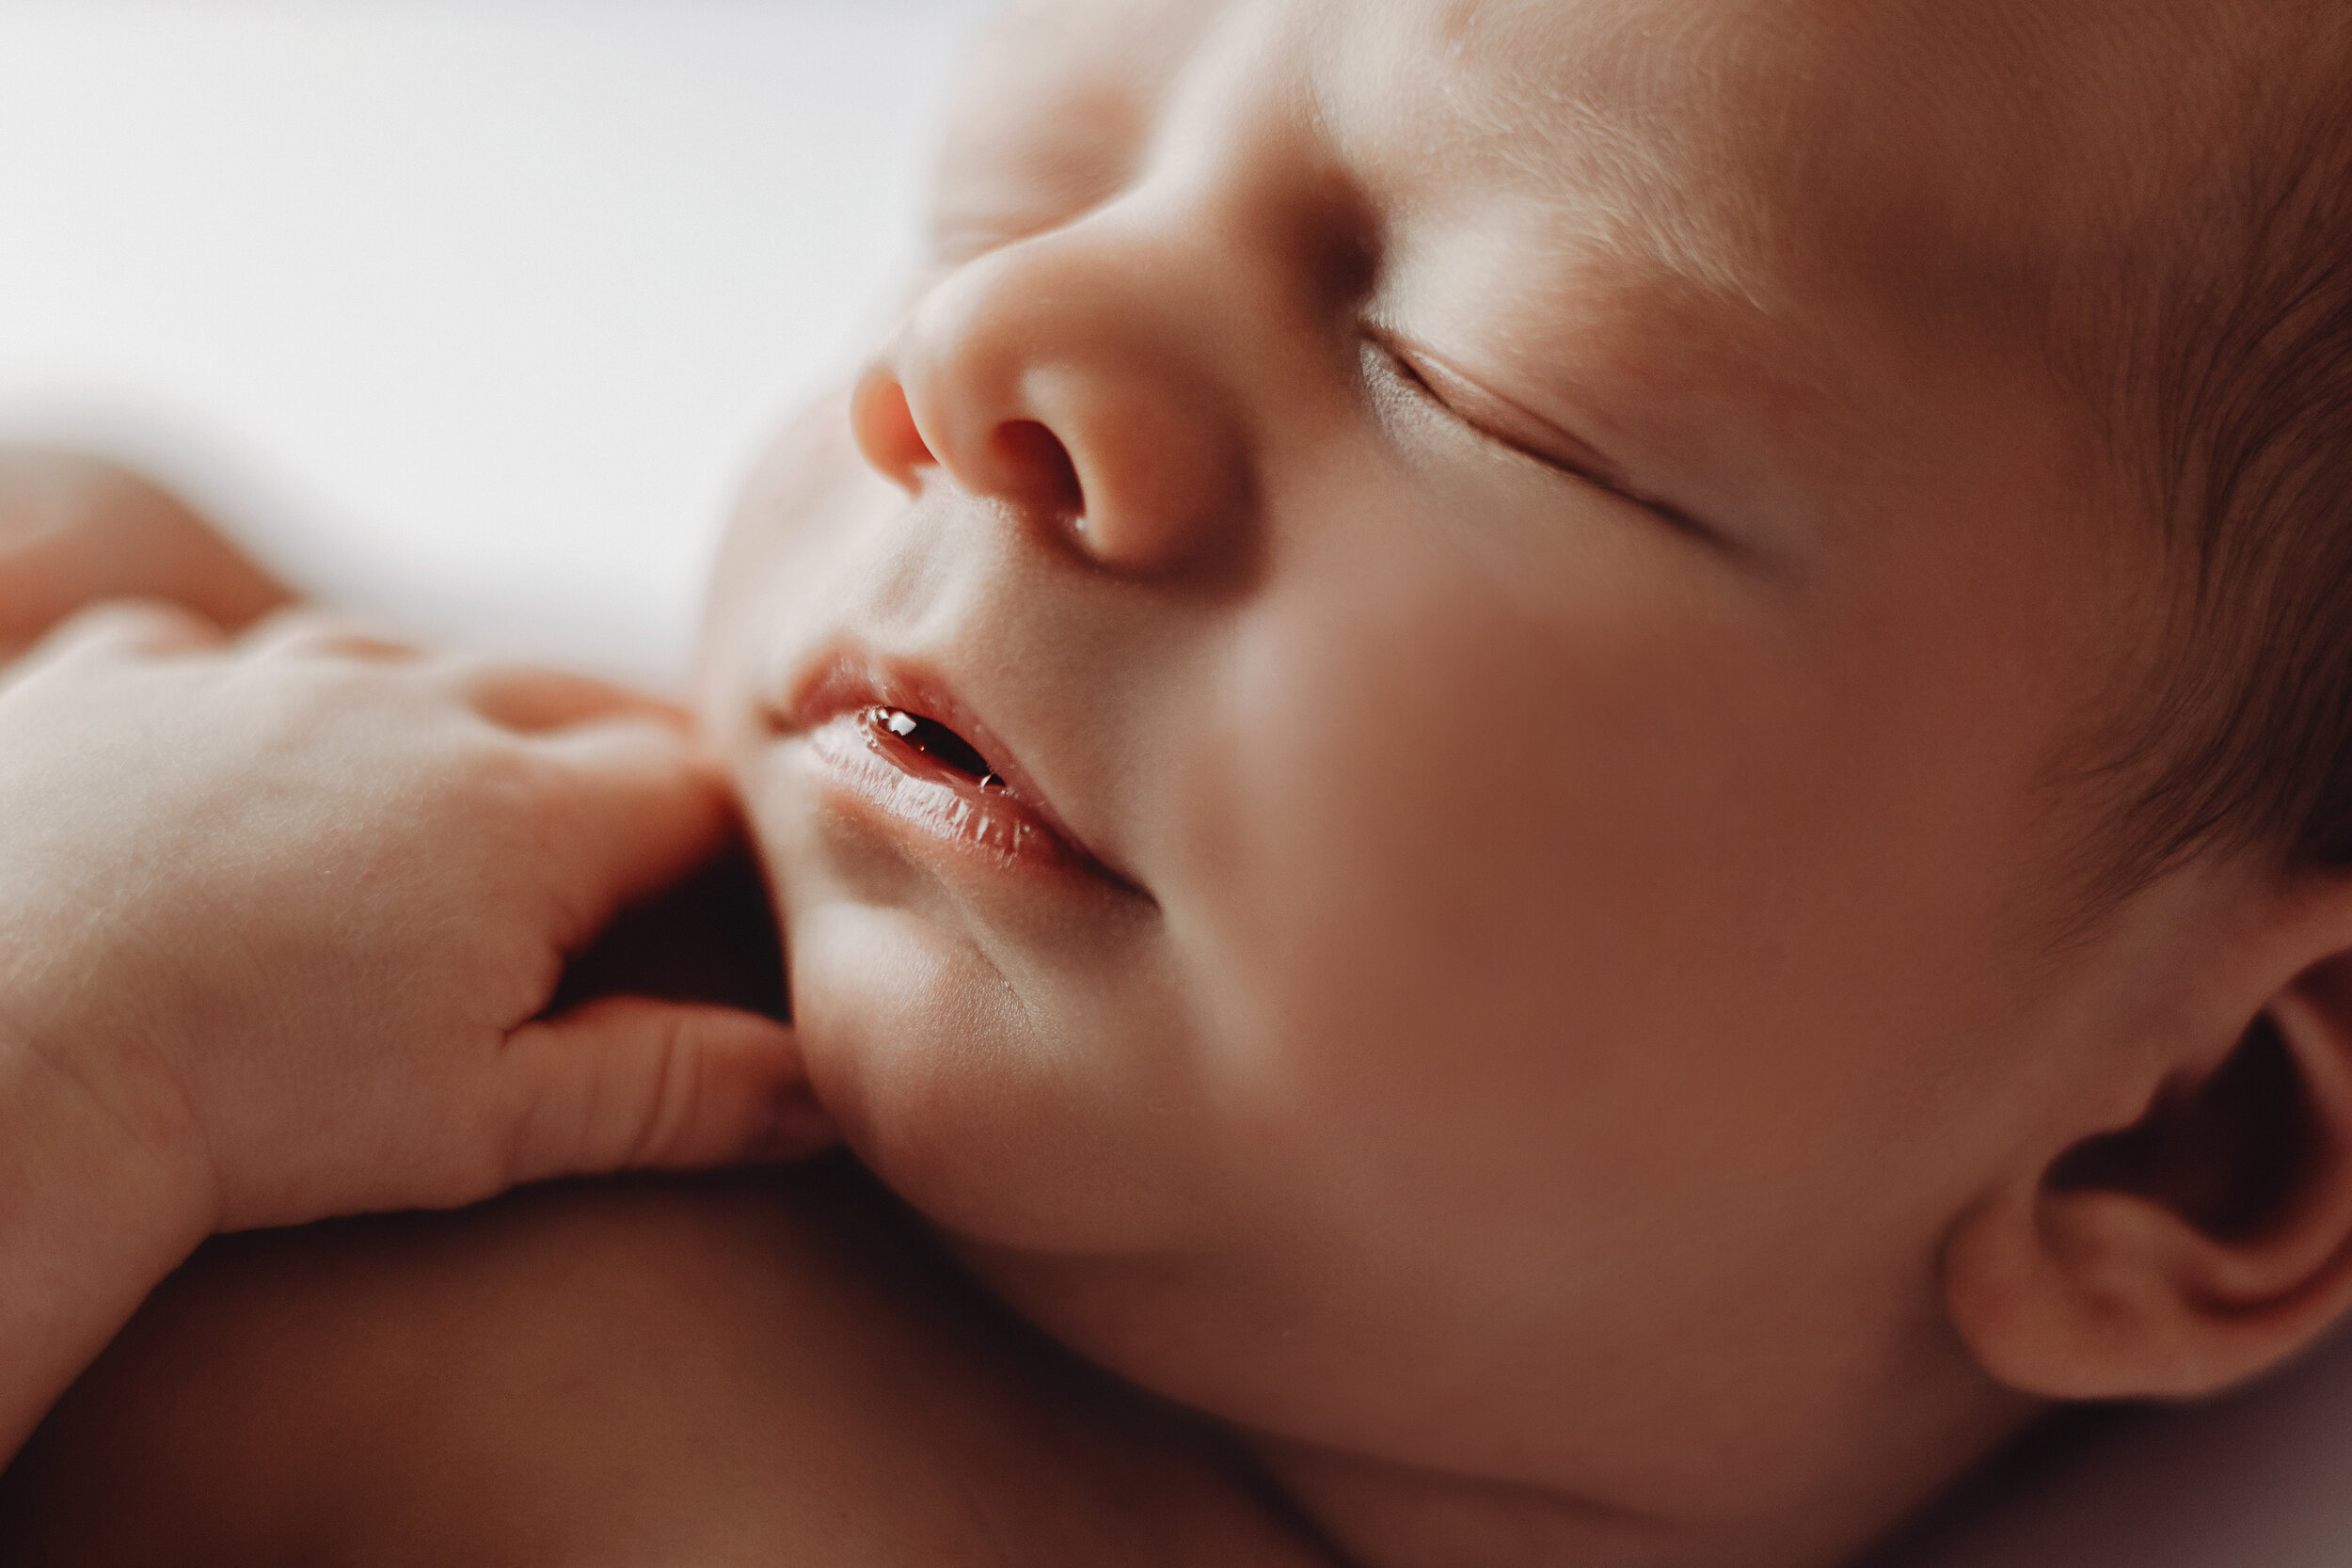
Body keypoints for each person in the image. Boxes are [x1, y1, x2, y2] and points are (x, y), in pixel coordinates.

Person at [6, 0, 2352, 1562]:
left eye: (1479, 384)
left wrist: (75, 1037)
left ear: (2176, 1131)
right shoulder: (574, 828)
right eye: (998, 202)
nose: (972, 350)